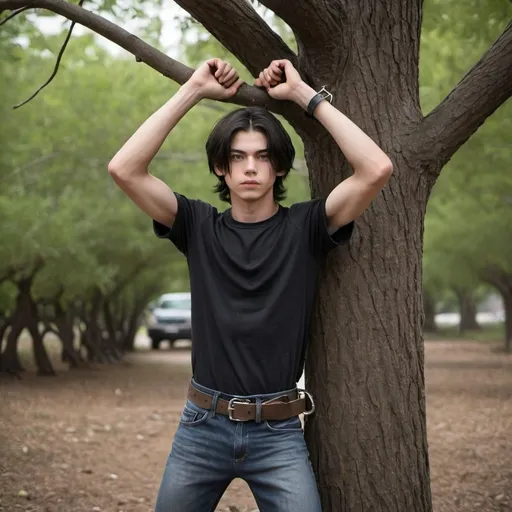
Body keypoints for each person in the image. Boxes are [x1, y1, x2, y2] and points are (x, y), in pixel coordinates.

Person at [108, 58, 393, 512]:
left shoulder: (307, 227)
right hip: (201, 426)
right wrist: (194, 90)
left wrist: (303, 96)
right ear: (221, 168)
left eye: (263, 156)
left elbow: (376, 168)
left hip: (277, 432)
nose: (250, 168)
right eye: (237, 157)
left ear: (279, 168)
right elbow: (124, 168)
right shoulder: (198, 226)